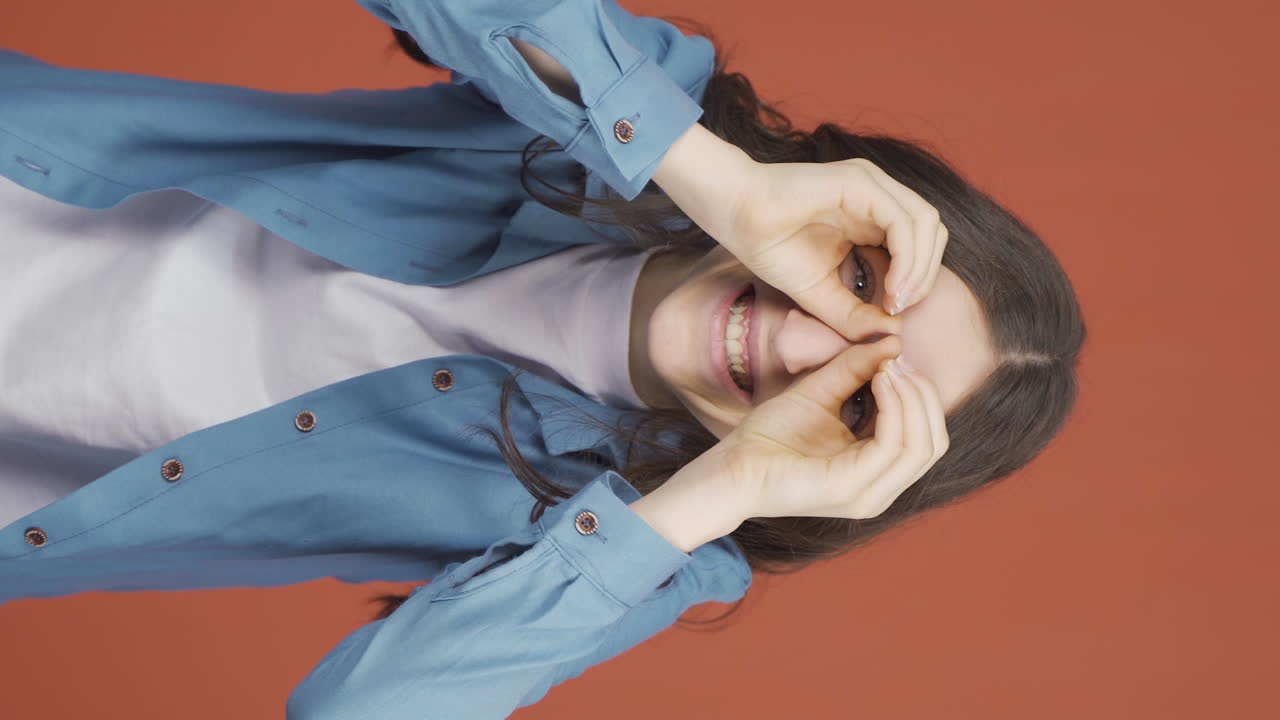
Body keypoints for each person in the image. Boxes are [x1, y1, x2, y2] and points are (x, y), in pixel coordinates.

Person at [0, 0, 1084, 717]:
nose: (799, 342)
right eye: (858, 284)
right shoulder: (660, 115)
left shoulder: (646, 542)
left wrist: (733, 485)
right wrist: (717, 176)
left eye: (857, 400)